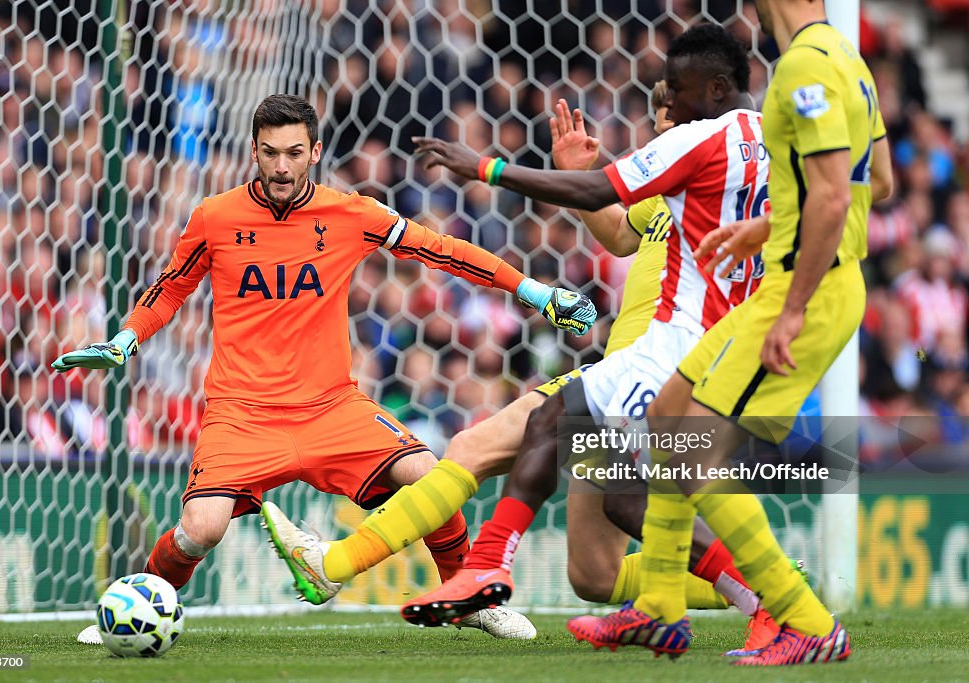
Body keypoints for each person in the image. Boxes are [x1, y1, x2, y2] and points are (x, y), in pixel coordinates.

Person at [265, 24, 780, 652]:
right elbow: (620, 233)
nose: (659, 116)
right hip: (663, 369)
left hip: (656, 369)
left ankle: (342, 564)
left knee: (478, 444)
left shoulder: (696, 156)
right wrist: (583, 172)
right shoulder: (712, 179)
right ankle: (763, 585)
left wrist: (492, 168)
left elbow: (608, 193)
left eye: (668, 101)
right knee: (595, 571)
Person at [52, 94, 597, 642]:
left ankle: (469, 596)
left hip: (332, 406)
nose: (281, 166)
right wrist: (125, 340)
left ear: (314, 151)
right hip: (242, 413)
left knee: (433, 478)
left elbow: (440, 250)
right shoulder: (215, 217)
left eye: (293, 153)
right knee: (200, 529)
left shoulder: (350, 213)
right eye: (269, 153)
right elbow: (170, 288)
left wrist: (535, 291)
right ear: (254, 152)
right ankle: (138, 605)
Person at [564, 0, 894, 666]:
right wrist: (766, 228)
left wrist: (795, 302)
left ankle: (799, 614)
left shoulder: (804, 64)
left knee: (689, 449)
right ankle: (659, 603)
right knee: (667, 421)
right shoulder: (847, 61)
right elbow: (877, 182)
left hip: (805, 287)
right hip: (795, 275)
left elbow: (834, 199)